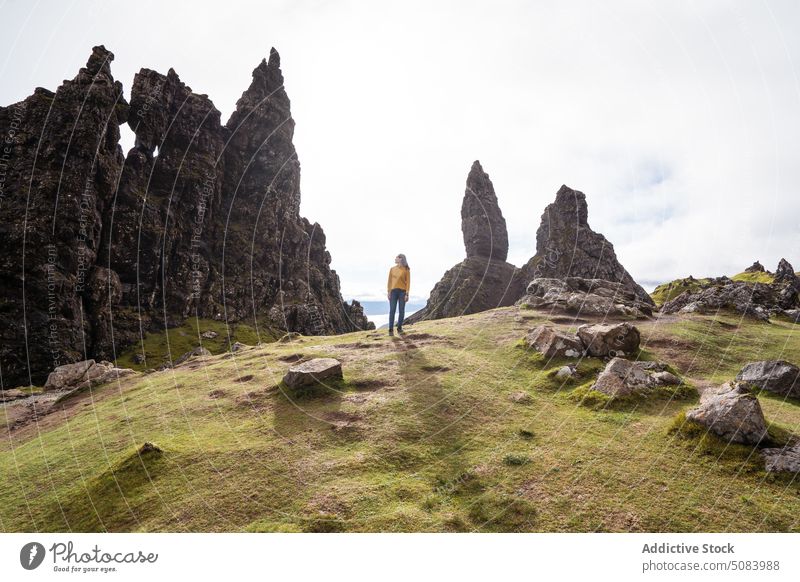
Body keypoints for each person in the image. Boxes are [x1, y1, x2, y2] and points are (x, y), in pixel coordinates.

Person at [387, 254, 410, 336]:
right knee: (392, 310)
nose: (395, 258)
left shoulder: (406, 269)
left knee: (401, 311)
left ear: (401, 259)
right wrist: (389, 292)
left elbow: (408, 283)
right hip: (393, 292)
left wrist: (407, 294)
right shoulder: (392, 269)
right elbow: (389, 281)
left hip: (402, 292)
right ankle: (390, 329)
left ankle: (399, 327)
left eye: (396, 257)